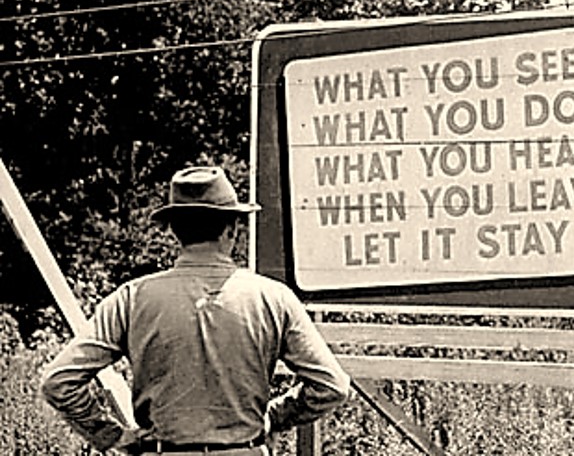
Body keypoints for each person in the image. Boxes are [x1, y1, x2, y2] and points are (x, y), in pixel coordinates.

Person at [41, 166, 351, 455]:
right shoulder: (273, 298)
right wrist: (274, 416)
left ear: (174, 231)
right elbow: (331, 386)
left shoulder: (131, 298)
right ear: (232, 229)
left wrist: (111, 435)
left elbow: (59, 381)